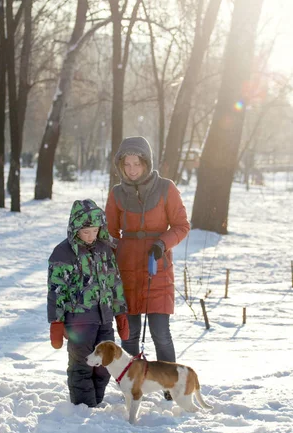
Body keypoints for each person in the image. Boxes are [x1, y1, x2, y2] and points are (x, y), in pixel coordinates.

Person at [105, 136, 190, 400]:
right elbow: (109, 232)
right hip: (127, 269)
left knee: (161, 333)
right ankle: (130, 386)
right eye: (127, 164)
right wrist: (113, 254)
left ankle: (171, 388)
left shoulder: (166, 188)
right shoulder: (117, 193)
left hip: (157, 267)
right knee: (128, 336)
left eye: (137, 164)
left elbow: (181, 225)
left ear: (146, 163)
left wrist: (162, 243)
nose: (131, 170)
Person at [47, 199, 129, 408]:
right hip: (78, 321)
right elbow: (57, 290)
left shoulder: (104, 249)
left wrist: (120, 313)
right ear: (75, 228)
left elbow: (114, 282)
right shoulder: (63, 253)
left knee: (105, 364)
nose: (91, 236)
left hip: (104, 318)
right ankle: (83, 408)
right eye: (86, 232)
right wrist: (56, 322)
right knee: (82, 364)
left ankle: (96, 401)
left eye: (95, 231)